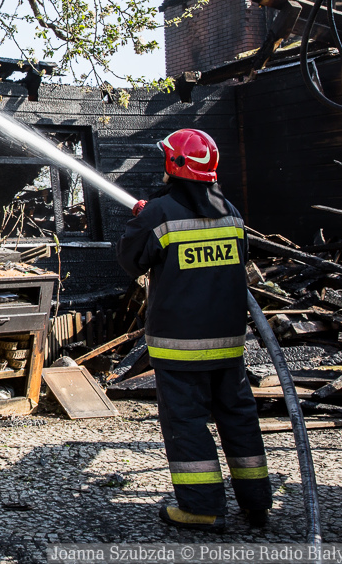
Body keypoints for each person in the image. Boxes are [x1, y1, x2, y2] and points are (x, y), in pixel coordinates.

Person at [116, 128, 272, 533]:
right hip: (228, 344)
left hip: (180, 346)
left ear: (174, 164)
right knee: (239, 418)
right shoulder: (231, 213)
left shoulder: (160, 213)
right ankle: (256, 503)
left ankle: (202, 508)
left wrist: (142, 220)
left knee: (186, 424)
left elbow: (131, 261)